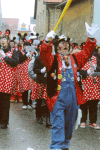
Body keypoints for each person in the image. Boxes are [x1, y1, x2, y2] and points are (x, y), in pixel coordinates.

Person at [40, 22, 98, 150]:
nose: (64, 45)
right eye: (61, 43)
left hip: (73, 98)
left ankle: (65, 144)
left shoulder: (75, 58)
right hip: (57, 98)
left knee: (69, 124)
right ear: (57, 47)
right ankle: (56, 146)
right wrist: (47, 41)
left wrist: (91, 39)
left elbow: (87, 52)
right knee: (58, 124)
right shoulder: (52, 59)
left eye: (66, 43)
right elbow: (43, 54)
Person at [0, 29, 19, 129]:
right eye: (1, 39)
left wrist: (5, 57)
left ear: (8, 41)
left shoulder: (13, 51)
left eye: (5, 39)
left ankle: (4, 121)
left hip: (8, 78)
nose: (3, 41)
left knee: (5, 99)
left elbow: (15, 62)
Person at [79, 56, 100, 129]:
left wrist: (95, 68)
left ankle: (92, 122)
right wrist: (86, 72)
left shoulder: (95, 58)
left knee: (94, 102)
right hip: (84, 83)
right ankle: (83, 120)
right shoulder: (81, 57)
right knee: (84, 102)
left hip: (94, 83)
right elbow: (77, 70)